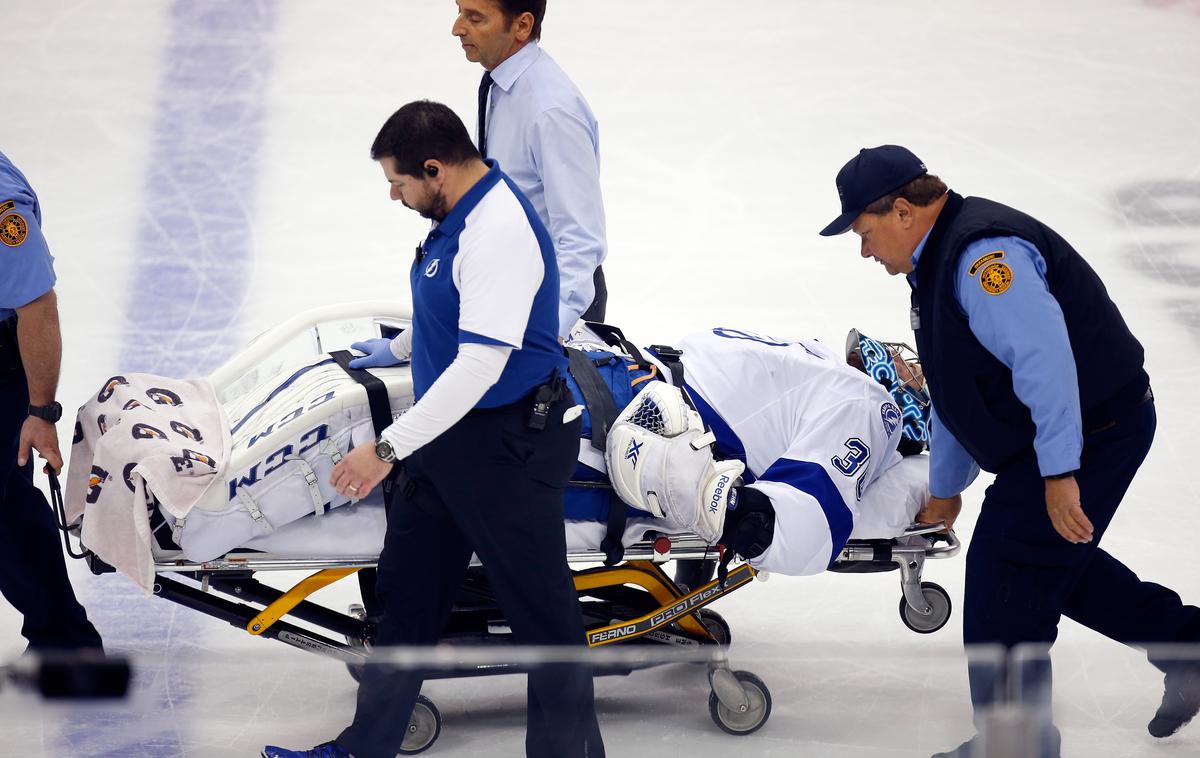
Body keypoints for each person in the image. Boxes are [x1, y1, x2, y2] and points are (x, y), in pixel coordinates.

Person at [819, 144, 1200, 757]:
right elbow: (952, 391)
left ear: (903, 212)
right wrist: (945, 491)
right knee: (1049, 566)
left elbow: (1046, 365)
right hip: (1062, 433)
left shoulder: (982, 259)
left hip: (1092, 430)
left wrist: (1059, 473)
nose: (865, 251)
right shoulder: (936, 260)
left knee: (1007, 574)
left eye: (865, 233)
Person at [263, 101, 603, 758]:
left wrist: (386, 449)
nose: (394, 195)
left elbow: (480, 363)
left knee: (546, 627)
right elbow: (455, 307)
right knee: (408, 601)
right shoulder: (460, 215)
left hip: (510, 448)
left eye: (398, 182)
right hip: (452, 443)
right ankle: (362, 751)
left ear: (434, 167)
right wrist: (396, 350)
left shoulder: (497, 229)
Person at [561, 325, 931, 580]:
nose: (908, 362)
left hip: (625, 420)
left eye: (915, 370)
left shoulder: (872, 404)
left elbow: (798, 525)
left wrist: (715, 498)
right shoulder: (828, 370)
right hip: (620, 381)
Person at [453, 0, 608, 337]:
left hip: (550, 301)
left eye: (475, 17)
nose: (457, 28)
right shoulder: (501, 82)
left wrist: (546, 333)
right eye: (460, 11)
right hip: (509, 287)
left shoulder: (551, 111)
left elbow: (581, 239)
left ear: (522, 26)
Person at [0, 151, 104, 654]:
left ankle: (64, 640)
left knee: (8, 510)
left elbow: (37, 307)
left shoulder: (2, 206)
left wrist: (40, 413)